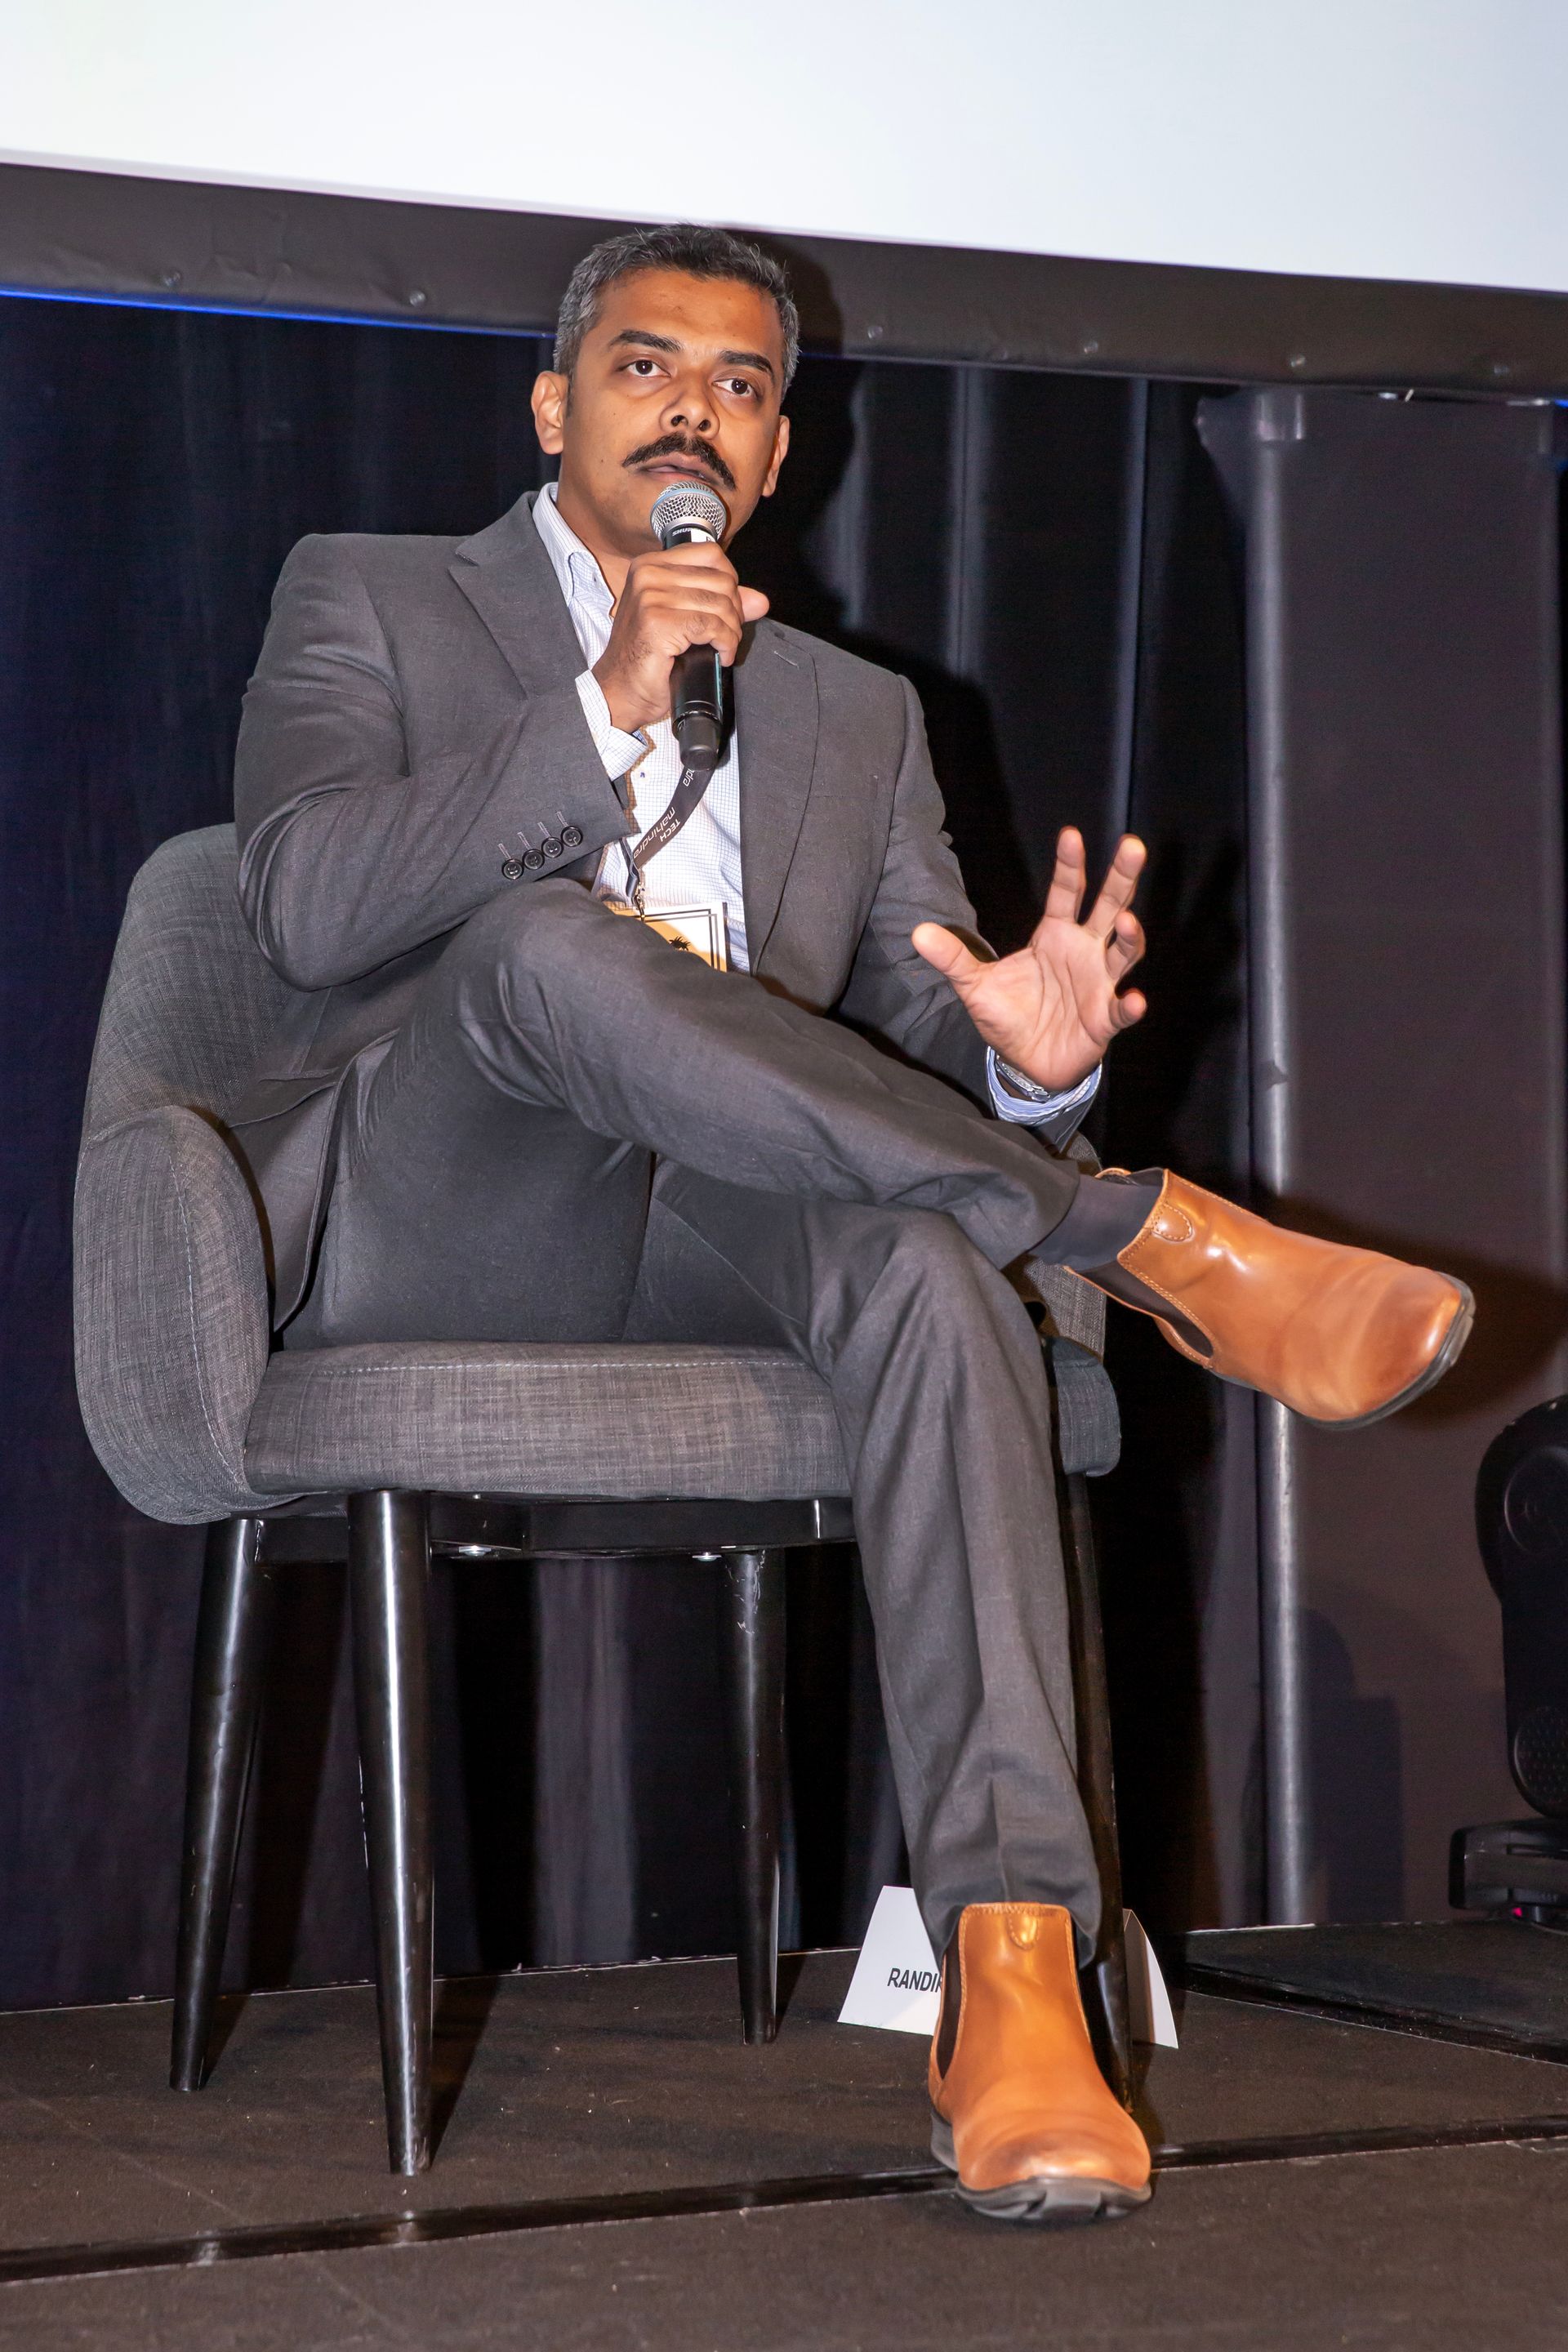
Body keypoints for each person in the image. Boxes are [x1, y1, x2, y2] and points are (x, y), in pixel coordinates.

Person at [229, 224, 1472, 2225]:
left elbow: (910, 1031)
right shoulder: (368, 596)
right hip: (460, 1208)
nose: (691, 411)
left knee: (925, 1260)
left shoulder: (852, 714)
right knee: (547, 945)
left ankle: (1014, 1979)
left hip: (736, 1226)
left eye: (738, 385)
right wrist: (599, 707)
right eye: (645, 367)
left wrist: (1030, 1065)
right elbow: (298, 907)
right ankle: (1137, 1238)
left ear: (779, 452)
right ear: (551, 409)